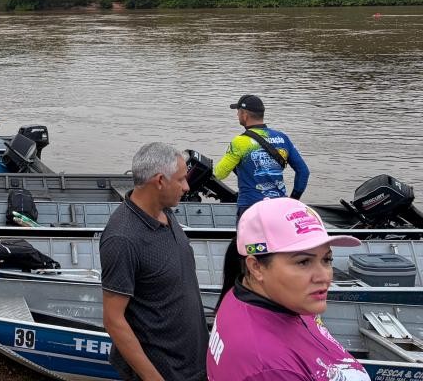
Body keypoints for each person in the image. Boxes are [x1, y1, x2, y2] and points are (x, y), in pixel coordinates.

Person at [207, 198, 367, 380]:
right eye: (303, 262)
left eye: (327, 260)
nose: (324, 276)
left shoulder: (262, 296)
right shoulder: (270, 368)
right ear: (256, 267)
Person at [100, 142, 208, 381]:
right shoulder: (122, 238)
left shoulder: (166, 212)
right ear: (160, 181)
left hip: (194, 364)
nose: (186, 187)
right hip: (164, 372)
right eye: (181, 180)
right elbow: (113, 319)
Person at [214, 94, 311, 306]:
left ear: (245, 114)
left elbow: (219, 173)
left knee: (247, 256)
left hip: (251, 209)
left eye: (238, 112)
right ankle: (277, 296)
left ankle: (246, 300)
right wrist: (293, 200)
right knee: (275, 253)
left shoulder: (240, 142)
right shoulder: (282, 138)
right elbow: (303, 172)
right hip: (278, 209)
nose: (237, 115)